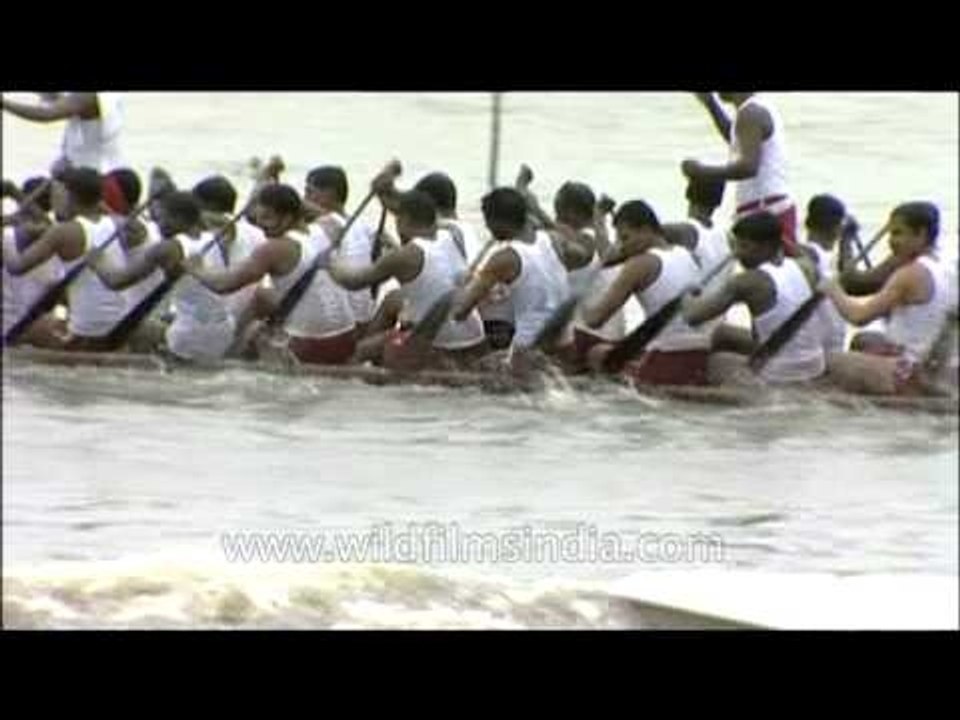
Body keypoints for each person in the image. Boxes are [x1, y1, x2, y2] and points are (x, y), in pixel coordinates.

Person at [185, 183, 357, 366]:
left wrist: (196, 269)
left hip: (310, 345)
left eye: (267, 218)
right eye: (259, 219)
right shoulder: (326, 229)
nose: (261, 226)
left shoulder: (276, 248)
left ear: (288, 217)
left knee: (253, 332)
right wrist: (272, 190)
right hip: (347, 339)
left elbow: (223, 285)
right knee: (262, 297)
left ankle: (221, 365)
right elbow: (315, 211)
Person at [329, 190, 486, 370]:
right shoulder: (451, 235)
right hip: (474, 339)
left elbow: (353, 282)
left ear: (402, 220)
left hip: (438, 346)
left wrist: (331, 262)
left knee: (362, 351)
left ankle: (355, 377)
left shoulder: (404, 256)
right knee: (393, 299)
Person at [820, 202, 957, 395]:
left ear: (921, 234)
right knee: (863, 340)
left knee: (827, 360)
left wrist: (831, 289)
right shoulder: (947, 264)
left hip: (911, 372)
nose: (891, 241)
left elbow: (858, 317)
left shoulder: (910, 273)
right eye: (891, 233)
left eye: (898, 233)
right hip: (934, 364)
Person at [680, 211, 826, 386]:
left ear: (765, 247)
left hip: (783, 372)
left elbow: (692, 317)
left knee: (716, 361)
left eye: (744, 247)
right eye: (736, 246)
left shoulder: (748, 282)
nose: (737, 254)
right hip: (814, 364)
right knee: (722, 333)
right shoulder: (806, 266)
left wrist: (687, 291)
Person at [89, 191, 235, 362]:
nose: (157, 225)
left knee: (133, 329)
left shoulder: (167, 249)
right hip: (225, 329)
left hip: (191, 335)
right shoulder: (216, 239)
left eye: (161, 218)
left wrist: (98, 261)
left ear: (179, 218)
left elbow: (115, 281)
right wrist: (108, 210)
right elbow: (225, 222)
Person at [452, 187, 591, 367]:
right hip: (565, 343)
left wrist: (457, 291)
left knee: (475, 369)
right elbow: (583, 256)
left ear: (498, 221)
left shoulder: (504, 258)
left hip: (530, 349)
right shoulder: (554, 240)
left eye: (487, 222)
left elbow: (461, 312)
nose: (487, 228)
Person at [581, 200, 714, 385]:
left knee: (596, 356)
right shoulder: (688, 254)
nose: (622, 245)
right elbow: (611, 256)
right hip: (700, 352)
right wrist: (599, 218)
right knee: (605, 352)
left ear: (645, 229)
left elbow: (595, 320)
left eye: (625, 238)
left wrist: (580, 303)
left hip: (667, 355)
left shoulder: (640, 264)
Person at [3, 167, 128, 350]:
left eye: (58, 193)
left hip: (87, 330)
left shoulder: (64, 232)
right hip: (119, 322)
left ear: (69, 196)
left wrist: (4, 243)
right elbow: (47, 223)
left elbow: (16, 267)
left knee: (33, 326)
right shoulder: (118, 223)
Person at [682, 92, 797, 256]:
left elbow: (748, 167)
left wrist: (701, 172)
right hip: (770, 206)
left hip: (766, 210)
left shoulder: (750, 113)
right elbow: (737, 139)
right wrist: (711, 104)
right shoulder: (755, 107)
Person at [2, 92, 124, 172]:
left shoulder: (88, 96)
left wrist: (5, 104)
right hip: (103, 168)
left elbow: (47, 114)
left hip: (91, 177)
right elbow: (66, 103)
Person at [799, 194, 850, 354]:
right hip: (821, 346)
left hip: (824, 344)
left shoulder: (831, 259)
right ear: (838, 228)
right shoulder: (810, 254)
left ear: (807, 223)